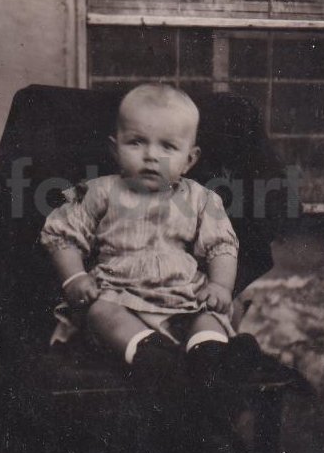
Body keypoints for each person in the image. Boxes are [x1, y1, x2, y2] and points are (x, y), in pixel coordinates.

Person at [39, 83, 267, 387]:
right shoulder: (98, 191)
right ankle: (149, 354)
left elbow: (221, 246)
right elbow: (63, 234)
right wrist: (75, 278)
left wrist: (220, 286)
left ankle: (212, 354)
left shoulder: (200, 199)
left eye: (167, 147)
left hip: (184, 296)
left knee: (207, 317)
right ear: (115, 149)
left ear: (189, 160)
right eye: (136, 142)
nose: (151, 156)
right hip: (118, 293)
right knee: (100, 313)